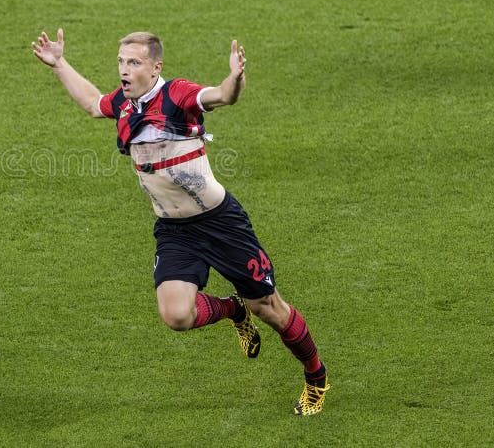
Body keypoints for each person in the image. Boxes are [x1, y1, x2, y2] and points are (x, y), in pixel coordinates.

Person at [31, 28, 330, 415]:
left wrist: (235, 79)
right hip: (174, 230)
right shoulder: (125, 104)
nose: (124, 70)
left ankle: (316, 376)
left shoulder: (177, 95)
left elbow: (219, 96)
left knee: (270, 308)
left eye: (134, 63)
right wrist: (59, 63)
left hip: (221, 224)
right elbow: (92, 103)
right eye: (121, 62)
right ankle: (231, 310)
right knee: (176, 316)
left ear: (156, 68)